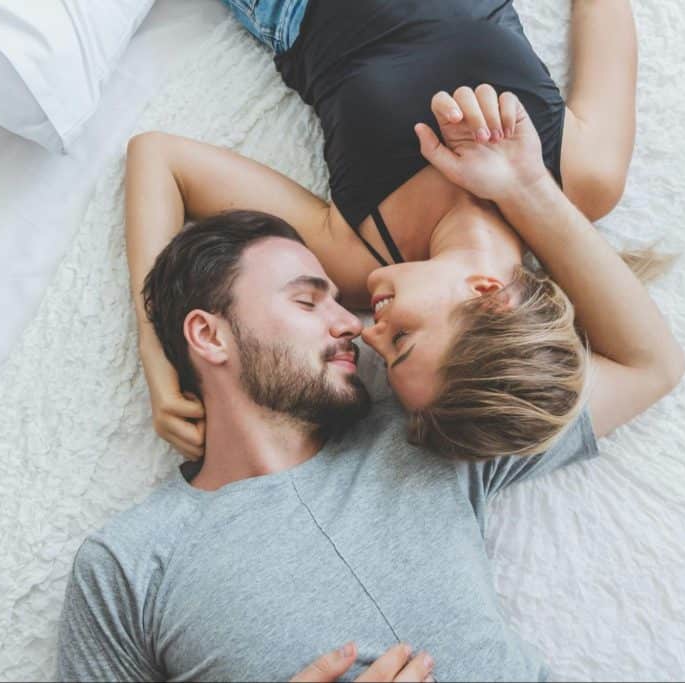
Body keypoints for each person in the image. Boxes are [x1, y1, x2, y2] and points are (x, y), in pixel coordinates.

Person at [57, 206, 602, 681]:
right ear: (209, 335)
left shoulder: (430, 432)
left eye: (341, 303)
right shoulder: (128, 565)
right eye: (306, 302)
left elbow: (650, 365)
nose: (353, 324)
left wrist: (528, 185)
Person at [127, 0, 684, 464]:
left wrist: (161, 363)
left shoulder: (358, 256)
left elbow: (159, 159)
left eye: (383, 354)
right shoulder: (582, 176)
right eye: (402, 341)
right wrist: (528, 187)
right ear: (487, 296)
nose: (368, 333)